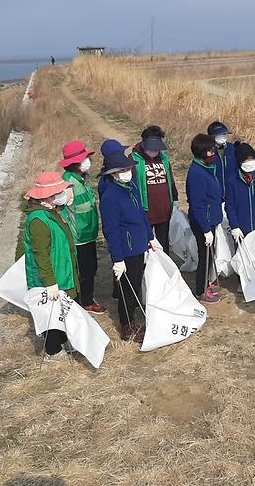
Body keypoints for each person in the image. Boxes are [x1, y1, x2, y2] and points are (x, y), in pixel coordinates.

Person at [99, 148, 156, 342]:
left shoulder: (132, 187)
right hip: (126, 248)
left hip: (140, 244)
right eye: (122, 171)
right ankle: (126, 325)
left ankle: (133, 316)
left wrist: (150, 237)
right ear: (113, 174)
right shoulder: (110, 197)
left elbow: (142, 214)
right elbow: (111, 230)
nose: (127, 173)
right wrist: (117, 259)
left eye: (128, 169)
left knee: (136, 283)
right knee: (126, 288)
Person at [23, 172, 80, 361]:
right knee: (52, 313)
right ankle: (53, 351)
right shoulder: (39, 220)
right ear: (48, 196)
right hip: (52, 275)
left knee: (64, 310)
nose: (63, 194)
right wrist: (50, 282)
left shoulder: (51, 213)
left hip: (63, 270)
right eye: (60, 192)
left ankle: (65, 340)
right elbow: (41, 255)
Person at [60, 140, 106, 314]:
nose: (87, 161)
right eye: (83, 158)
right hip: (78, 237)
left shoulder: (80, 179)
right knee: (85, 270)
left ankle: (85, 298)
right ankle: (84, 301)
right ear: (73, 163)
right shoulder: (68, 184)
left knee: (90, 268)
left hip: (88, 234)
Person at [186, 133, 224, 303]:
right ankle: (201, 291)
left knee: (210, 253)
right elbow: (198, 205)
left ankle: (207, 283)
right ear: (201, 153)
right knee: (205, 255)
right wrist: (206, 229)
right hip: (203, 222)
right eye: (210, 151)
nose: (213, 153)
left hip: (210, 219)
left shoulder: (207, 168)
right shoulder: (197, 174)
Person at [130, 125, 178, 254]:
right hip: (146, 211)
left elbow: (170, 180)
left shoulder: (164, 159)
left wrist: (175, 198)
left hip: (163, 210)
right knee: (146, 244)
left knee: (163, 243)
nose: (155, 151)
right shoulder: (134, 160)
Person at [226, 142, 255, 242]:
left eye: (252, 159)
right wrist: (234, 226)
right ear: (240, 162)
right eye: (247, 160)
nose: (250, 162)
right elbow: (230, 206)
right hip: (242, 230)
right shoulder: (232, 182)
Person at [206, 121, 233, 200]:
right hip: (214, 196)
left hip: (230, 195)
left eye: (224, 134)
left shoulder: (232, 149)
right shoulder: (207, 151)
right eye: (219, 134)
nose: (223, 137)